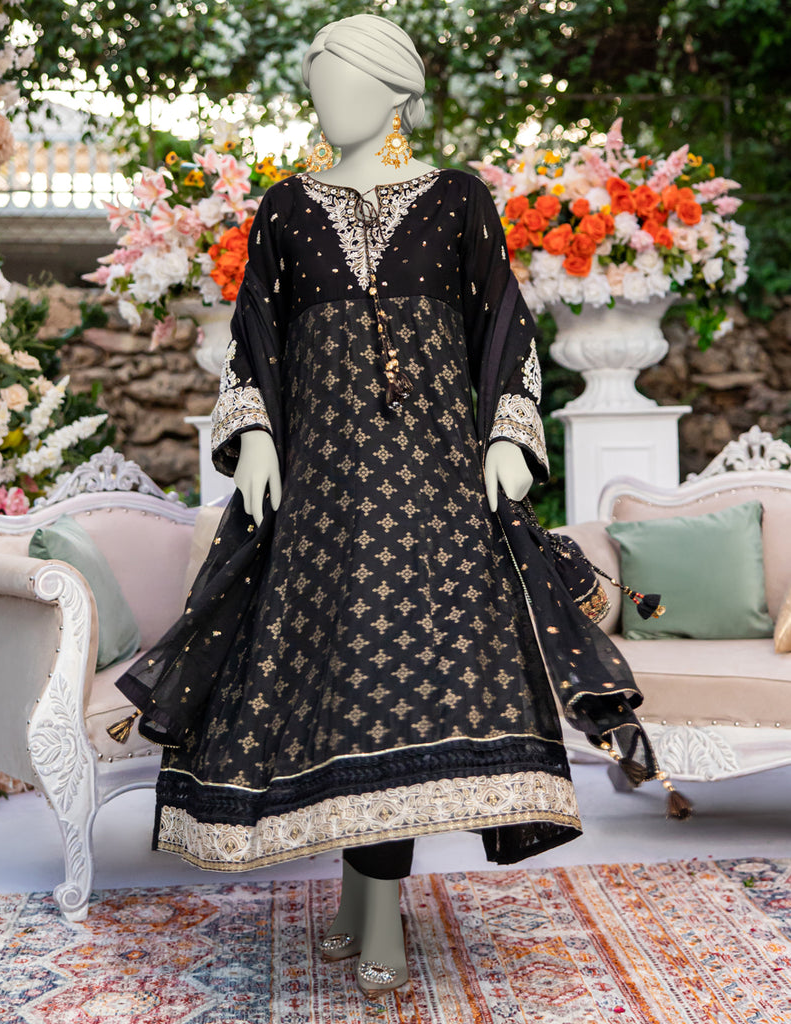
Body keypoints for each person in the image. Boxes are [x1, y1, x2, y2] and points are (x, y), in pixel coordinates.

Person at [114, 12, 658, 998]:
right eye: (317, 88)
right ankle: (355, 901)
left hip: (432, 491)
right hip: (323, 496)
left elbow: (502, 323)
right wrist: (256, 436)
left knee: (398, 687)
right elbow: (254, 335)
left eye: (345, 85)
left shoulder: (455, 200)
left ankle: (376, 918)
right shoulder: (286, 209)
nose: (328, 104)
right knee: (338, 692)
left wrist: (507, 436)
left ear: (395, 91)